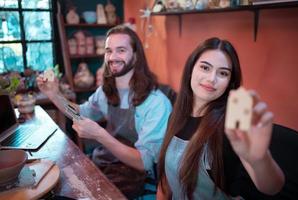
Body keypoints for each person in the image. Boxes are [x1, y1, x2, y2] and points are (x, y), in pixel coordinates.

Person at [37, 25, 172, 198]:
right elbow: (81, 113)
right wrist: (54, 94)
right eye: (109, 51)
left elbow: (144, 163)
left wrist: (100, 135)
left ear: (136, 56)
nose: (113, 57)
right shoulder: (106, 91)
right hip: (104, 163)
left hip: (134, 177)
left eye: (121, 50)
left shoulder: (156, 103)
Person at [157, 37, 285, 199]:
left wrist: (260, 159)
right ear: (191, 70)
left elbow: (272, 187)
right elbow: (166, 182)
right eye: (205, 68)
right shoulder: (175, 116)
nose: (212, 78)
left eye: (223, 73)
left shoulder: (232, 125)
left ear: (230, 83)